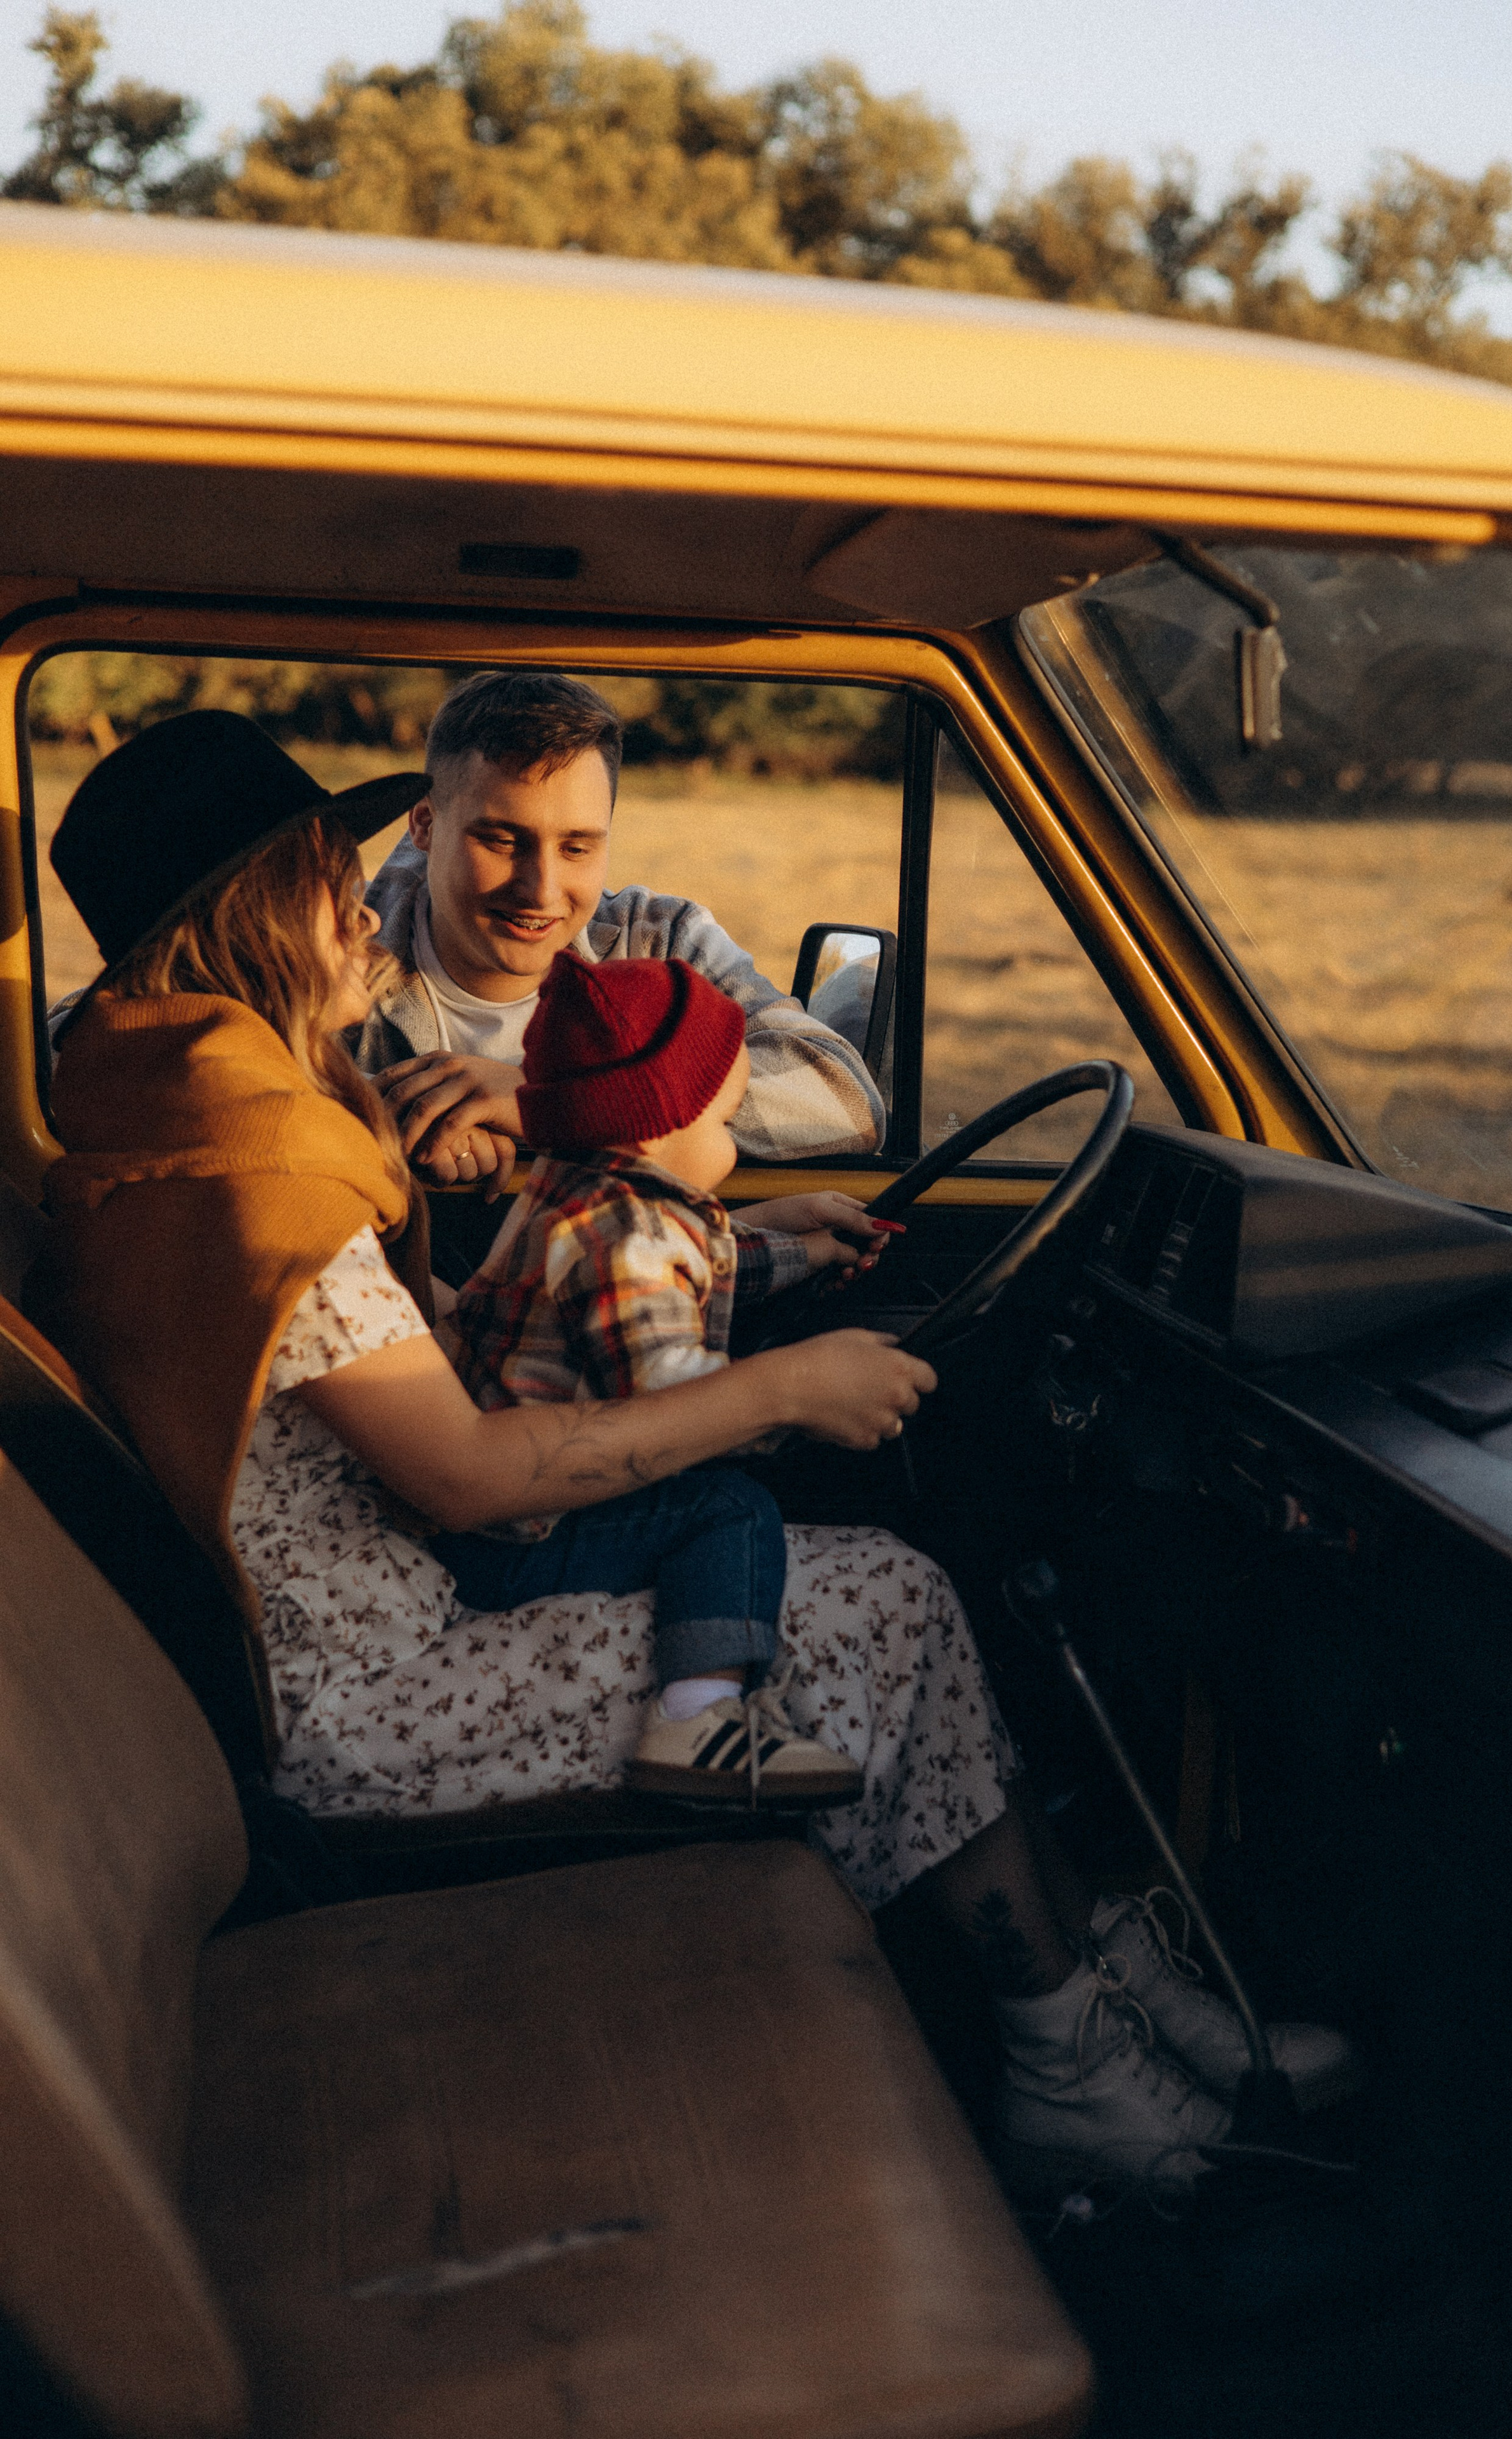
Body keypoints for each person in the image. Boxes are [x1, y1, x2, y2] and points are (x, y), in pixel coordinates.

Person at [38, 709, 1357, 2201]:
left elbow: (443, 1346)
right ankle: (1067, 2052)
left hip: (387, 1615)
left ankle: (1086, 1984)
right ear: (263, 909)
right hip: (369, 1704)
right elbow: (473, 1471)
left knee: (884, 1593)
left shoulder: (209, 1131)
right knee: (890, 1601)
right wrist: (776, 1387)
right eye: (335, 878)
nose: (367, 902)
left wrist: (732, 1248)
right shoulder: (248, 1178)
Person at [436, 949, 880, 1808]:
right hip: (522, 1537)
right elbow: (672, 1396)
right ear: (658, 1122)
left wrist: (811, 1249)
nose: (730, 1142)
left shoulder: (589, 1189)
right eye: (725, 1122)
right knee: (729, 1508)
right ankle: (699, 1717)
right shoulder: (624, 1236)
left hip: (515, 1505)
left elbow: (708, 1261)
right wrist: (797, 1402)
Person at [354, 668, 885, 1190]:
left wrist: (549, 1105)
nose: (542, 889)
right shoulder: (333, 944)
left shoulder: (660, 940)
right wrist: (380, 1125)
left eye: (577, 848)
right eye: (501, 841)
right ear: (423, 824)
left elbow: (847, 1102)